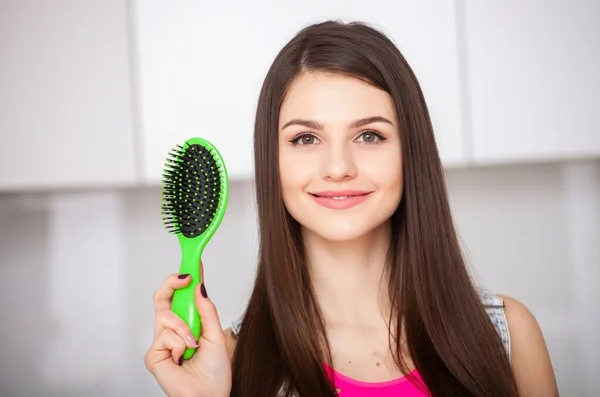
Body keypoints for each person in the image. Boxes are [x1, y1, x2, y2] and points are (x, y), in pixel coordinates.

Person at [144, 20, 558, 397]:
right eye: (306, 138)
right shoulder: (230, 364)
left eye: (369, 136)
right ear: (272, 160)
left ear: (410, 151)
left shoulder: (506, 333)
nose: (339, 167)